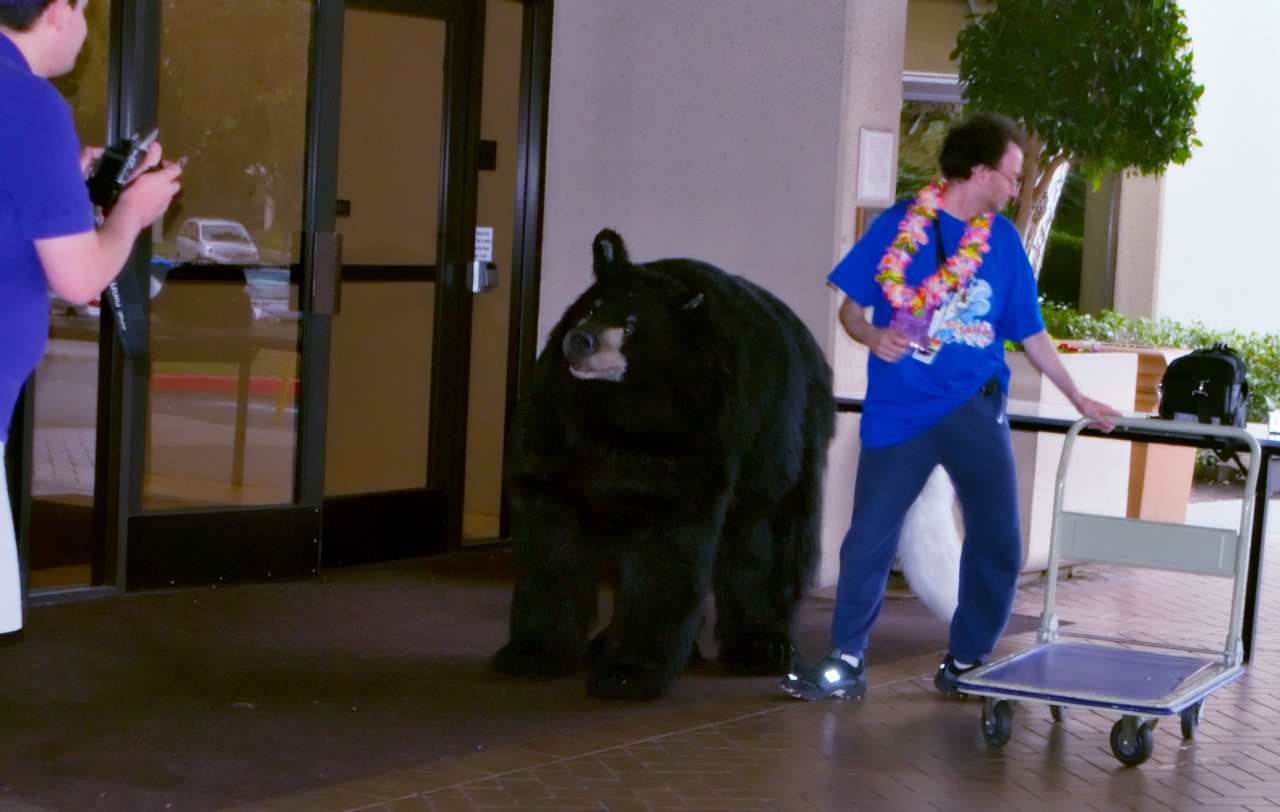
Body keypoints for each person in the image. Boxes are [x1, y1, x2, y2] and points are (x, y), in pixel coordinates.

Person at [780, 112, 1119, 701]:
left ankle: (966, 659)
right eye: (1012, 176)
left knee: (1000, 540)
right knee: (870, 537)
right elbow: (851, 311)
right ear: (981, 172)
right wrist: (872, 336)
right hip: (900, 410)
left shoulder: (1003, 242)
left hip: (975, 408)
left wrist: (1079, 396)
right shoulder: (899, 225)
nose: (1017, 187)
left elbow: (1031, 333)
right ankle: (846, 659)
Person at [0, 0, 182, 637]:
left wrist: (63, 180)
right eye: (83, 9)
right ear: (58, 10)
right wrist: (133, 212)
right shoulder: (29, 101)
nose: (84, 27)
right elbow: (79, 278)